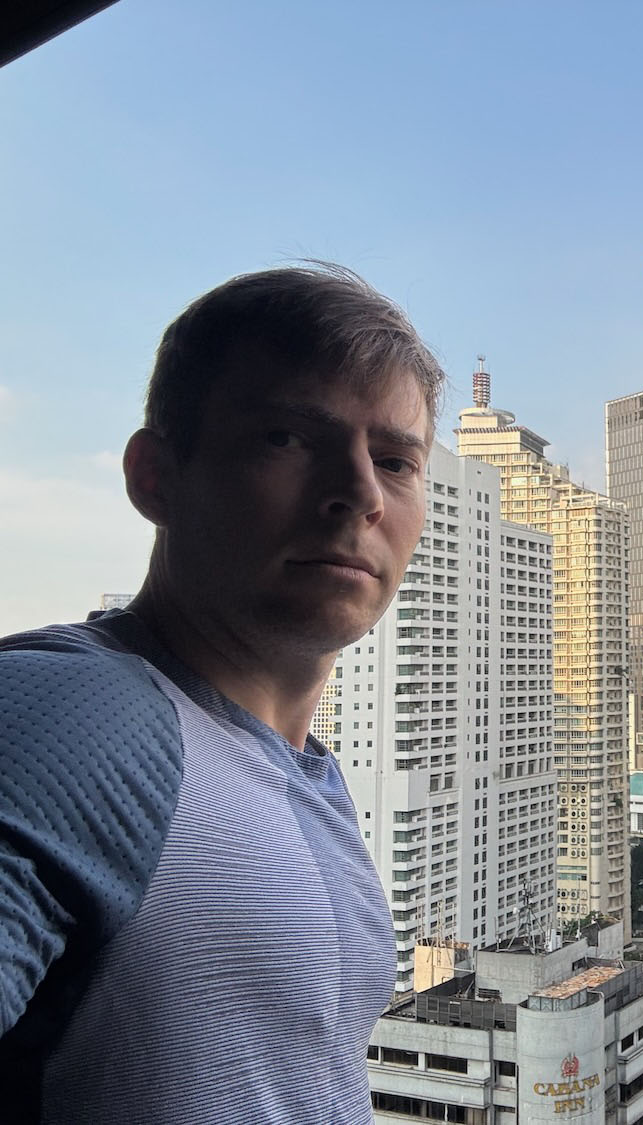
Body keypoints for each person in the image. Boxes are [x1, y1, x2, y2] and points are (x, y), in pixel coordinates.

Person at [0, 265, 442, 1122]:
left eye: (395, 459)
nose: (359, 493)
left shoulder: (309, 777)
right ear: (154, 477)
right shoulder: (82, 718)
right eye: (287, 437)